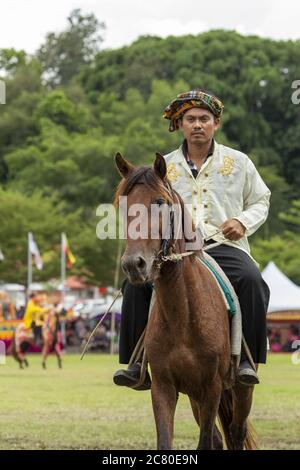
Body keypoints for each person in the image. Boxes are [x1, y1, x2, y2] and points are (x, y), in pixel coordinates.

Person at [113, 88, 271, 389]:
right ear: (179, 125)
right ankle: (136, 364)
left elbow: (261, 201)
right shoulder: (163, 168)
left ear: (216, 123)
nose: (197, 124)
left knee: (252, 280)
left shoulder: (240, 162)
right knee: (133, 286)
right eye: (190, 119)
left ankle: (248, 362)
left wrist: (242, 221)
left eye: (204, 118)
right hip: (176, 251)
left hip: (224, 246)